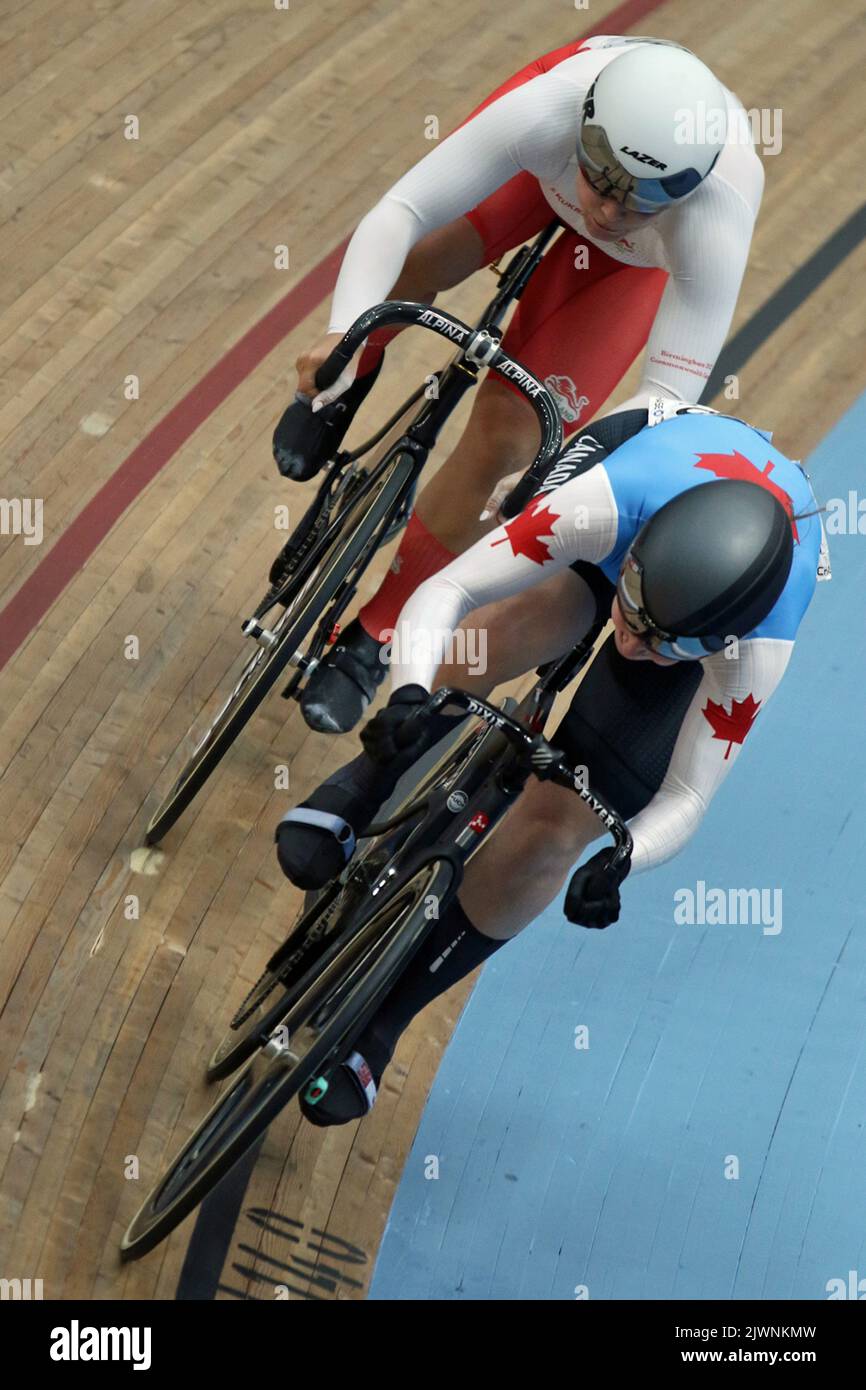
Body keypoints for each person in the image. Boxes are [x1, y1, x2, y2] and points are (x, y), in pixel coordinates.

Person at [275, 402, 826, 1126]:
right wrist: (409, 690)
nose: (630, 643)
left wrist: (624, 857)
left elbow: (688, 795)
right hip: (639, 462)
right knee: (519, 622)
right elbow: (448, 590)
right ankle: (366, 784)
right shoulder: (603, 508)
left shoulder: (757, 650)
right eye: (629, 613)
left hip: (706, 581)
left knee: (562, 825)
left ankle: (383, 1025)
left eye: (665, 647)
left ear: (717, 649)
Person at [273, 34, 764, 733]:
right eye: (605, 180)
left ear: (687, 191)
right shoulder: (550, 110)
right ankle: (347, 378)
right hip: (537, 178)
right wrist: (343, 332)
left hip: (630, 269)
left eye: (645, 200)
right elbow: (401, 210)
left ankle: (377, 631)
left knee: (507, 443)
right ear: (585, 130)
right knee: (422, 260)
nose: (612, 212)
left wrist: (564, 469)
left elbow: (664, 404)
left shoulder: (716, 217)